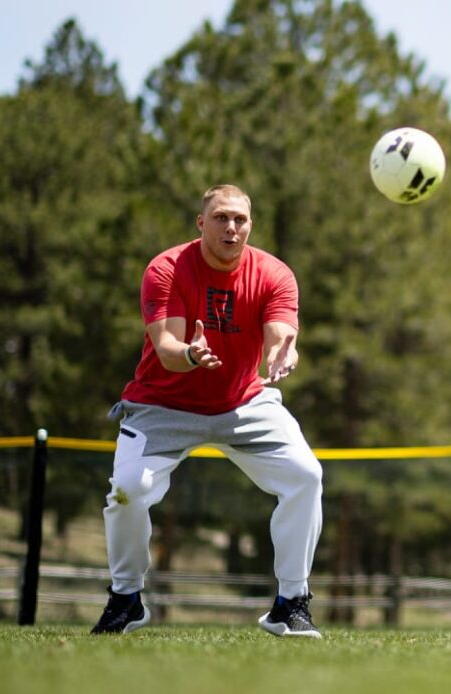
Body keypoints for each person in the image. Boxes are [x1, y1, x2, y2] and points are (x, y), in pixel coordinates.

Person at [91, 184, 324, 638]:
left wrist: (282, 355)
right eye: (220, 218)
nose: (230, 227)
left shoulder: (275, 274)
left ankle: (290, 603)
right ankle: (126, 599)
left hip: (243, 401)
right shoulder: (167, 268)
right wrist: (192, 355)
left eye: (239, 219)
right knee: (126, 493)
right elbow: (167, 350)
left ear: (250, 225)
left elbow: (280, 334)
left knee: (306, 477)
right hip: (163, 404)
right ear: (202, 223)